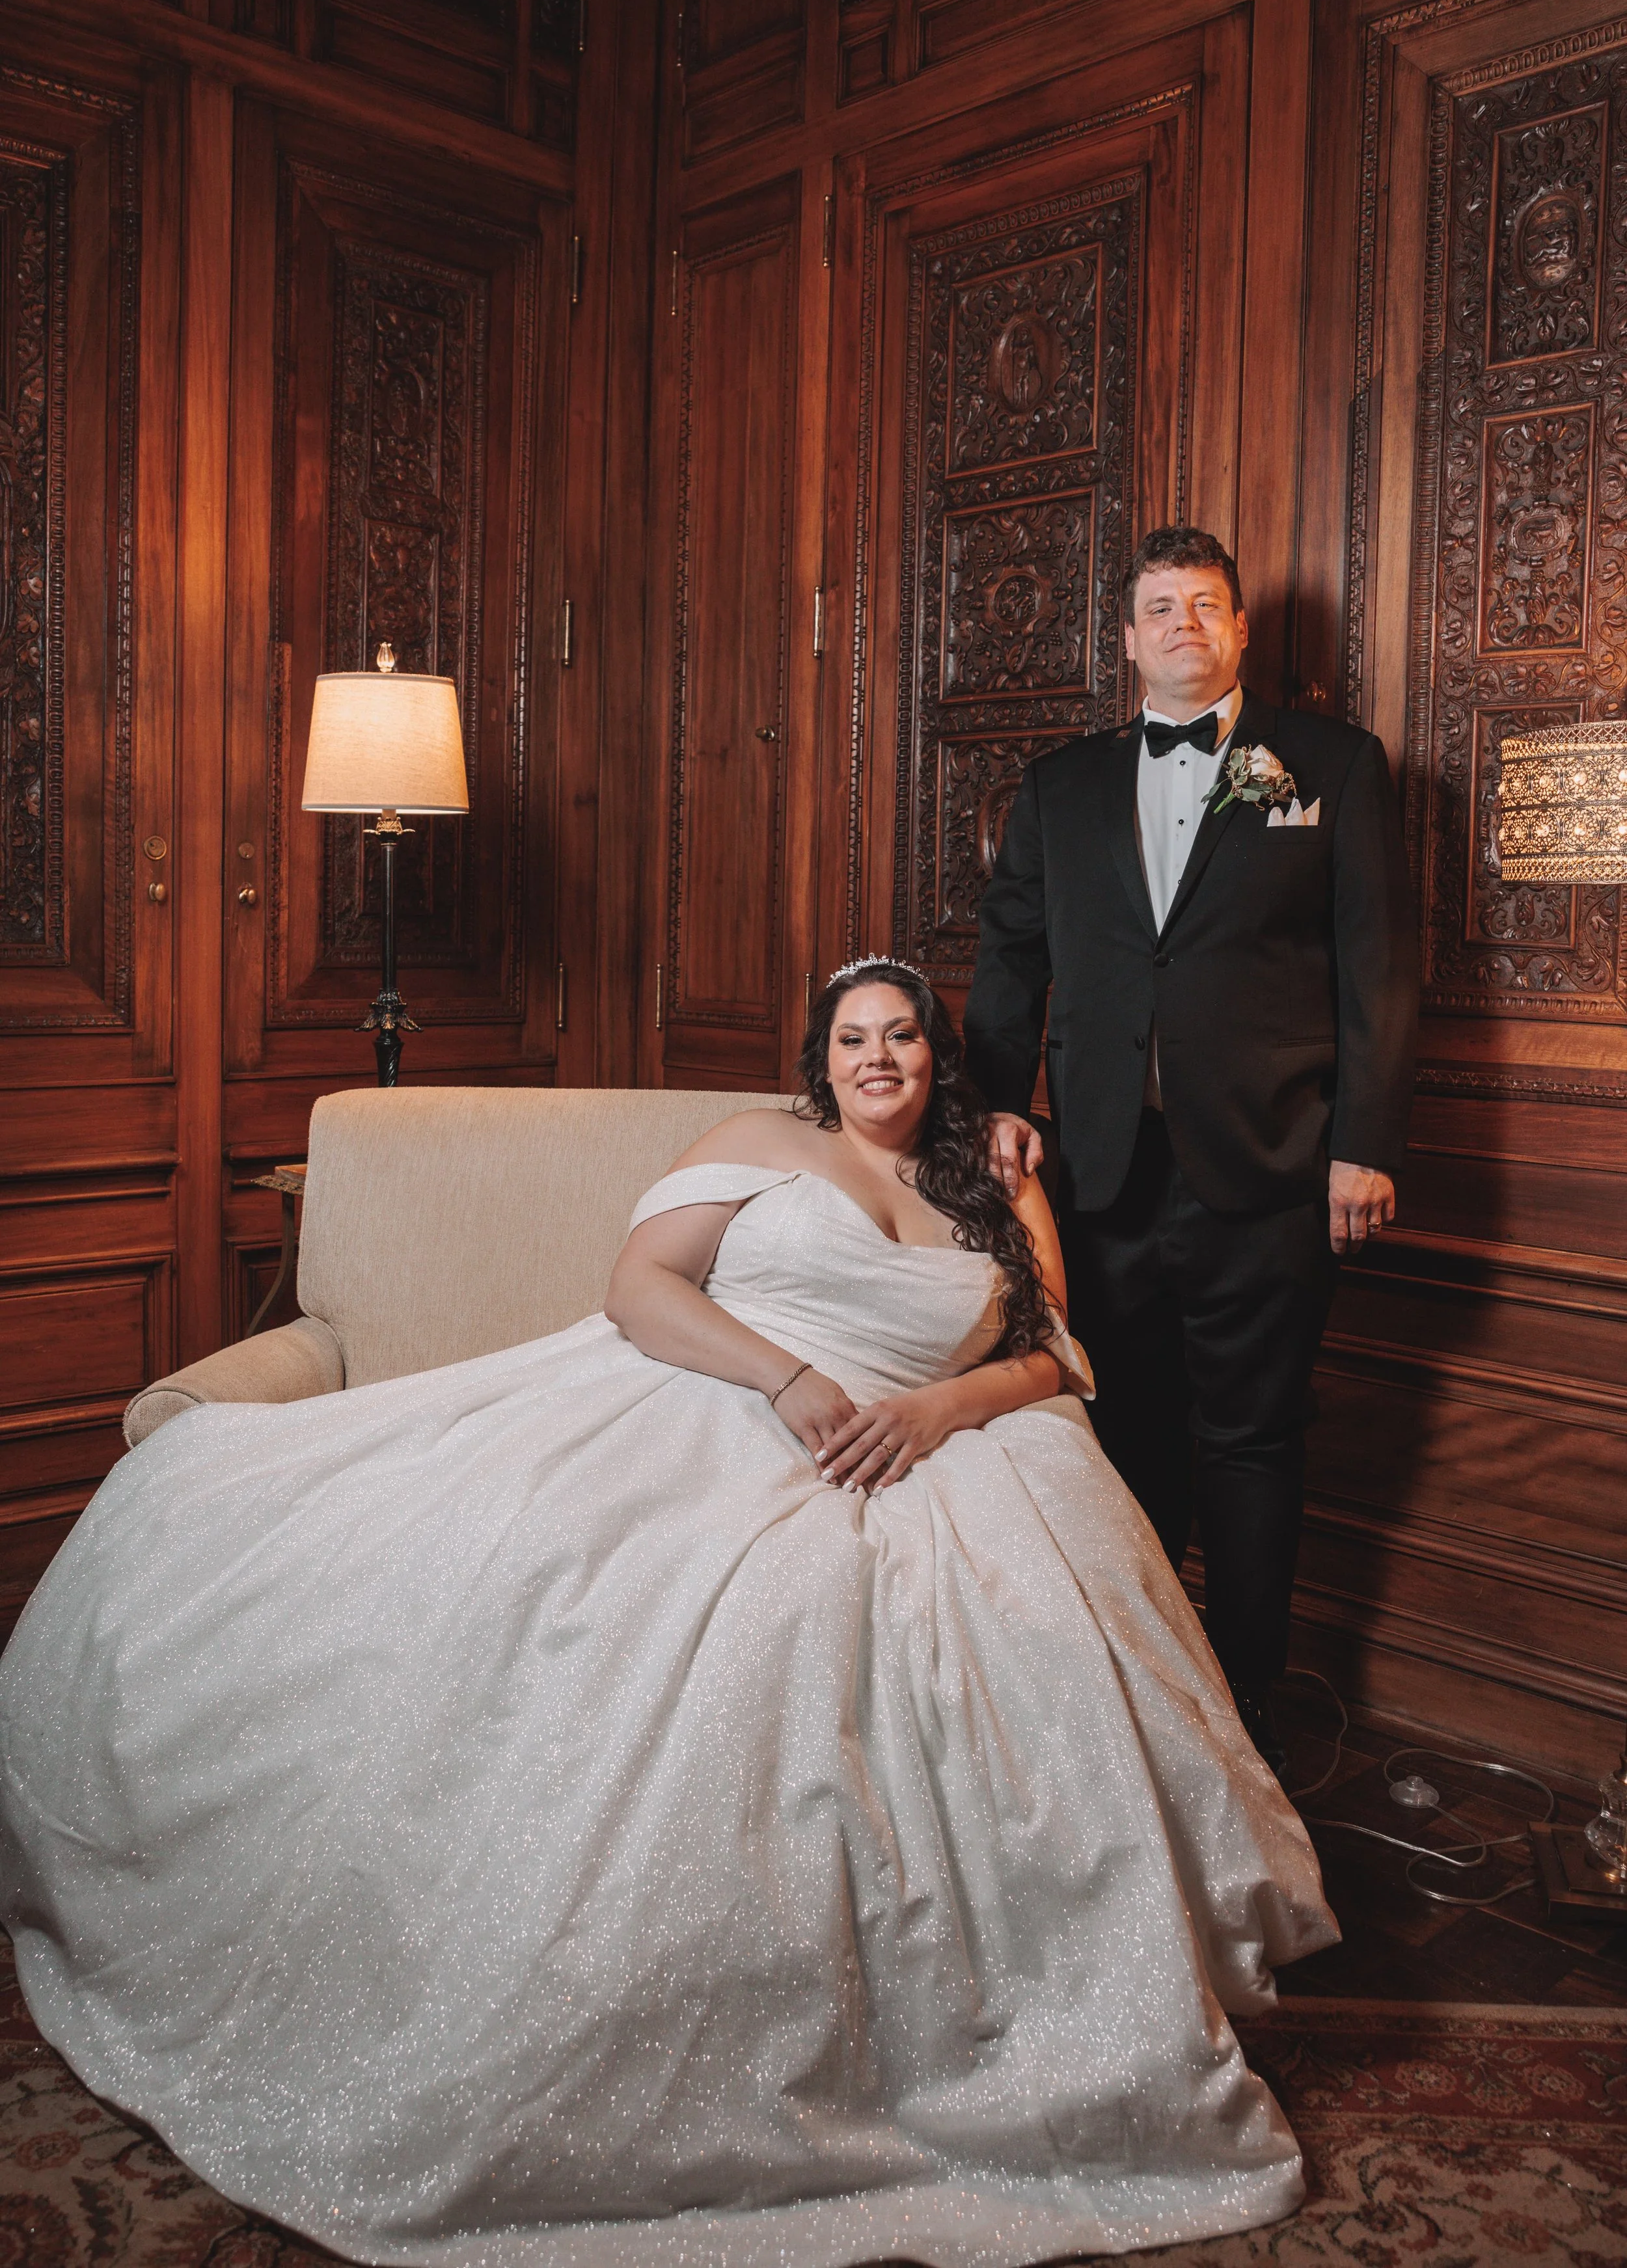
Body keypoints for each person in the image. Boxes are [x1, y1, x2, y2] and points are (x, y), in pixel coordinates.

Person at [0, 960, 1335, 2268]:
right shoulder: (756, 1138)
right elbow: (641, 1288)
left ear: (938, 1058)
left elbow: (1053, 1352)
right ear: (818, 1060)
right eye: (852, 1037)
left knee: (980, 1628)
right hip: (714, 1397)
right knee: (631, 1595)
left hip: (926, 1439)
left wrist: (934, 1406)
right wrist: (787, 1378)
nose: (877, 1057)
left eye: (903, 1038)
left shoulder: (992, 1172)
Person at [963, 526, 1419, 1777]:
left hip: (1276, 1170)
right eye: (1158, 607)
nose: (1182, 626)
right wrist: (1001, 1103)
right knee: (1127, 1434)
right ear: (1127, 637)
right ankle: (1143, 1688)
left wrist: (1364, 1145)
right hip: (1102, 1173)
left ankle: (1248, 1711)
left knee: (1254, 1439)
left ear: (1237, 631)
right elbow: (1011, 958)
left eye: (1204, 606)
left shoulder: (1329, 765)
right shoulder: (1060, 786)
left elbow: (1377, 968)